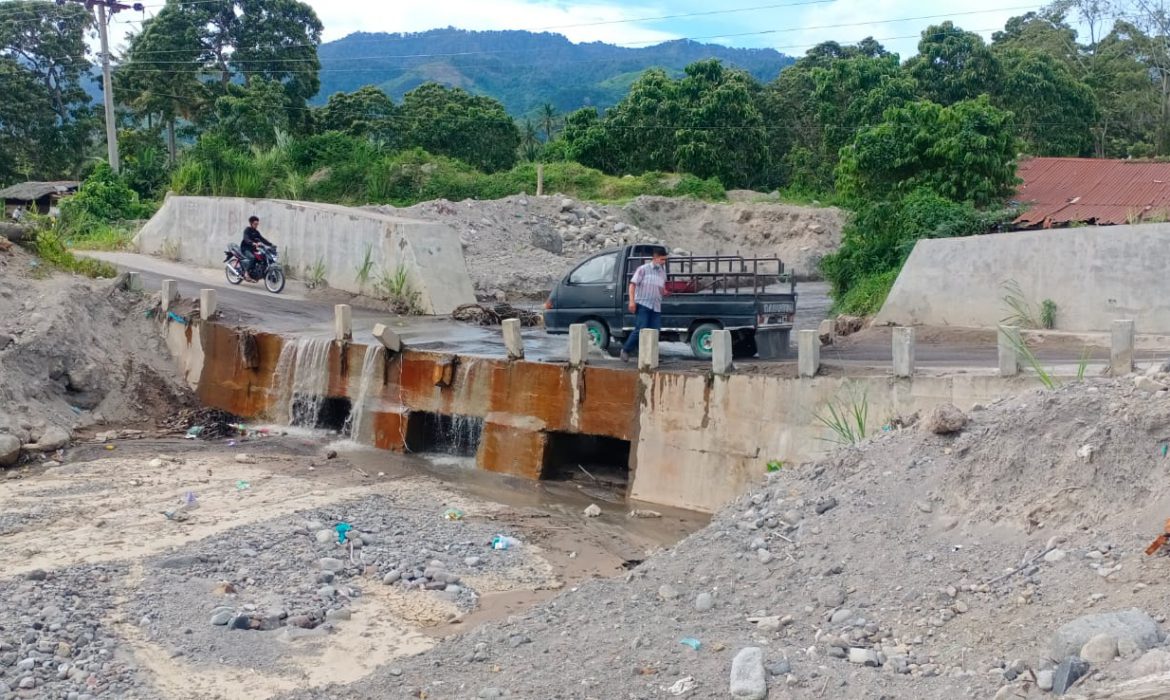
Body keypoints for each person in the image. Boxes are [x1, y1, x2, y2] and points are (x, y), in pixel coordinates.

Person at [620, 246, 669, 363]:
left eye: (665, 260)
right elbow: (632, 285)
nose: (664, 262)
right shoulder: (643, 269)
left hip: (656, 306)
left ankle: (650, 355)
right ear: (655, 258)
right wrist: (632, 301)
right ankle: (625, 350)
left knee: (655, 331)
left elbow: (661, 289)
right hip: (643, 303)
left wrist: (665, 292)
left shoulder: (662, 273)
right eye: (662, 259)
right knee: (641, 329)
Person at [240, 215, 273, 280]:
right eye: (255, 224)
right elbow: (246, 239)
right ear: (251, 223)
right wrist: (252, 243)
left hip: (253, 249)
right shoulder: (247, 230)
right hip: (245, 248)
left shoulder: (256, 232)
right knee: (252, 258)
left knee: (261, 258)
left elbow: (262, 239)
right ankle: (246, 273)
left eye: (257, 224)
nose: (256, 225)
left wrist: (271, 244)